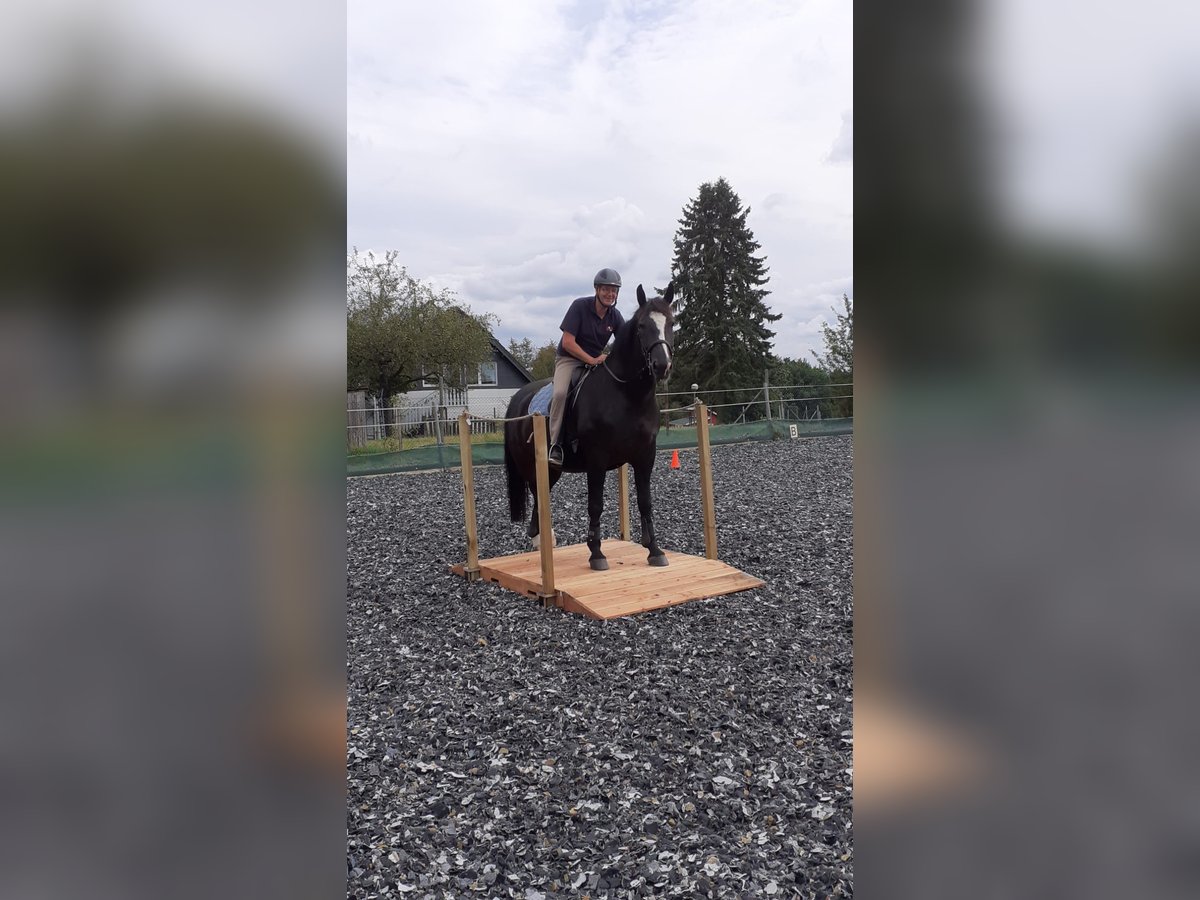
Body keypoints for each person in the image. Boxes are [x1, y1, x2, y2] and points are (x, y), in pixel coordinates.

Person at [547, 267, 626, 466]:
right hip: (569, 359)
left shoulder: (614, 316)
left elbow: (626, 343)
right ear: (597, 290)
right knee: (560, 394)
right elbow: (568, 342)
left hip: (596, 361)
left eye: (614, 290)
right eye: (606, 289)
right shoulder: (579, 306)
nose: (610, 294)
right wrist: (591, 360)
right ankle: (554, 444)